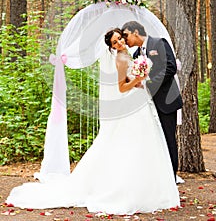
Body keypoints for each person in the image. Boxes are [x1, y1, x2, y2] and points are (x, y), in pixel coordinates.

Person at [6, 28, 180, 215]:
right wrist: (139, 78)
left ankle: (148, 185)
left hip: (141, 103)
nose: (120, 43)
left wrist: (139, 80)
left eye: (120, 38)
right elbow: (122, 87)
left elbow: (134, 80)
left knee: (145, 145)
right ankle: (130, 188)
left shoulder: (131, 54)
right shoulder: (121, 59)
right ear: (111, 47)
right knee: (132, 145)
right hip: (133, 105)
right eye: (115, 42)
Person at [122, 21, 183, 179]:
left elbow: (170, 67)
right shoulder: (136, 55)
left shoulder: (159, 42)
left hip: (166, 101)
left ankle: (171, 177)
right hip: (148, 103)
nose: (125, 39)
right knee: (154, 140)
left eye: (126, 35)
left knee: (168, 139)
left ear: (136, 32)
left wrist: (149, 83)